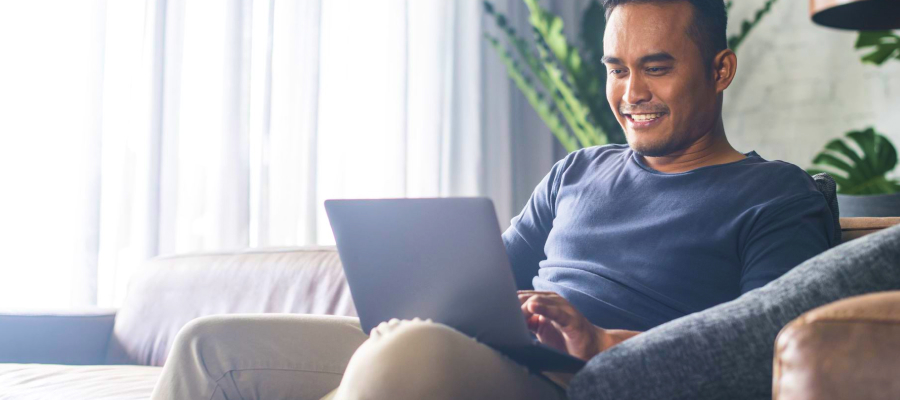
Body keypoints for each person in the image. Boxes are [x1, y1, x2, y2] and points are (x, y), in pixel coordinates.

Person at [150, 1, 835, 399]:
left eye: (656, 67)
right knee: (210, 345)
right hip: (479, 358)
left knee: (406, 354)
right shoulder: (577, 173)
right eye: (617, 69)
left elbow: (767, 353)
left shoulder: (774, 195)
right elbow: (479, 282)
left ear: (720, 70)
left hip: (584, 382)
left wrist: (602, 341)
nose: (631, 93)